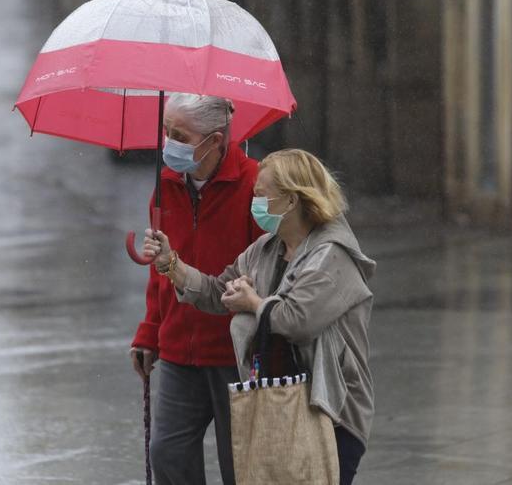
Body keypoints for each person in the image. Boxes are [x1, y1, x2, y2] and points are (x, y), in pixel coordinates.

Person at [143, 149, 376, 485]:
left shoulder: (332, 254)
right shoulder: (266, 249)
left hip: (330, 410)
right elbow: (215, 291)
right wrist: (171, 264)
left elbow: (297, 320)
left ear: (292, 200)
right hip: (279, 401)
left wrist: (253, 303)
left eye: (261, 195)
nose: (254, 202)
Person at [129, 93, 263, 484]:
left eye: (180, 135)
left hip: (234, 352)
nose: (168, 142)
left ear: (216, 140)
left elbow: (266, 270)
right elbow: (159, 275)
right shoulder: (164, 185)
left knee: (238, 465)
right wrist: (150, 332)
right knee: (167, 453)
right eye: (165, 131)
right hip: (177, 351)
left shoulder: (254, 185)